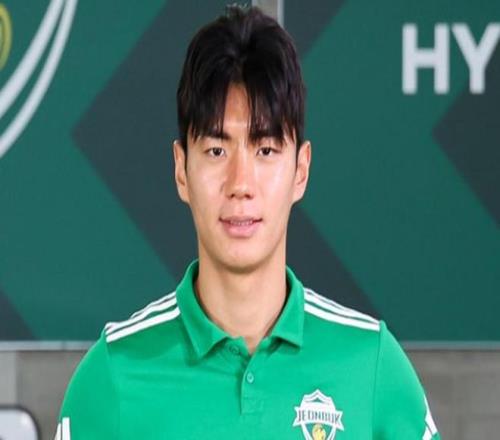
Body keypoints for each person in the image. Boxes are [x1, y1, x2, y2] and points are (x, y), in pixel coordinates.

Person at [54, 6, 440, 439]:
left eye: (266, 150)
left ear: (301, 170)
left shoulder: (372, 367)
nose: (241, 184)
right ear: (181, 170)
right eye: (217, 151)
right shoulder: (112, 377)